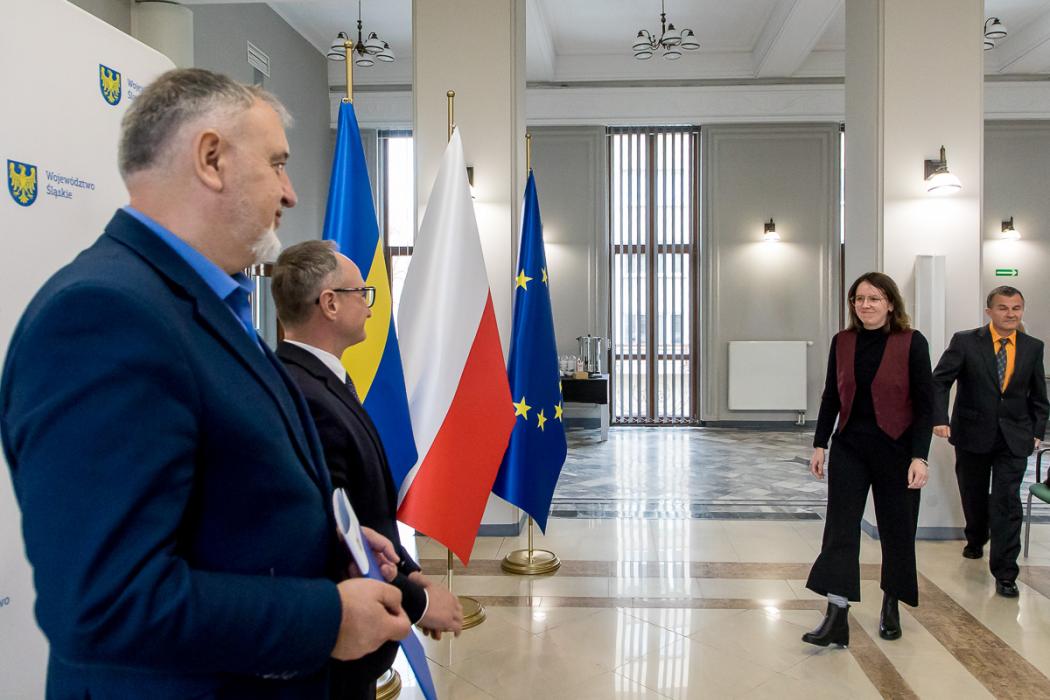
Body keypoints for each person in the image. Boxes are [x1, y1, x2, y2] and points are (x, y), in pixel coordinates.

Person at [0, 68, 411, 699]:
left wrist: (334, 546)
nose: (290, 192)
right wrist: (325, 618)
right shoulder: (103, 316)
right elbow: (108, 602)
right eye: (277, 164)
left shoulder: (207, 305)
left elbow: (225, 500)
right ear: (211, 159)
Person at [272, 241, 464, 699]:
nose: (371, 305)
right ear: (330, 303)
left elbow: (365, 514)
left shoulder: (319, 380)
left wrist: (410, 573)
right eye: (362, 292)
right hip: (339, 651)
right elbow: (333, 537)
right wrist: (418, 604)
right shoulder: (304, 396)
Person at [803, 272, 933, 647]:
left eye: (874, 298)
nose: (865, 305)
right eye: (859, 299)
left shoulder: (911, 342)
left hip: (897, 450)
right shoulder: (842, 341)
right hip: (850, 448)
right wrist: (820, 444)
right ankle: (836, 614)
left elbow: (926, 405)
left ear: (890, 303)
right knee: (840, 529)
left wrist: (920, 457)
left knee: (897, 530)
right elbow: (831, 395)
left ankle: (891, 603)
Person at [931, 286, 1048, 598]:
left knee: (1007, 501)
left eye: (1016, 308)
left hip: (1015, 436)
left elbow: (1039, 395)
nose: (1010, 314)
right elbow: (939, 381)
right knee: (973, 493)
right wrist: (939, 418)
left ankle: (1005, 573)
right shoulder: (966, 341)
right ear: (989, 311)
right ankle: (976, 536)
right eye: (1003, 308)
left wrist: (1037, 430)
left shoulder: (1033, 347)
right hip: (972, 433)